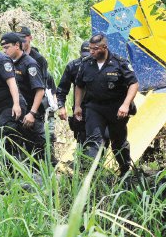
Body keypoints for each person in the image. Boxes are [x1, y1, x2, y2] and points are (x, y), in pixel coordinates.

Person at [74, 34, 139, 174]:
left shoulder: (119, 63)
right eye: (90, 49)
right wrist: (77, 106)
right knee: (94, 141)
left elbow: (133, 84)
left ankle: (125, 170)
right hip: (94, 108)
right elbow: (79, 85)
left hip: (116, 109)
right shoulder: (86, 63)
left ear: (105, 47)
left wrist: (126, 104)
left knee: (118, 143)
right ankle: (90, 175)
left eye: (95, 49)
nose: (92, 52)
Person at [0, 32, 46, 161]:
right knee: (15, 151)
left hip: (31, 115)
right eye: (3, 48)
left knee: (38, 152)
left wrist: (32, 113)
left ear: (17, 45)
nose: (4, 51)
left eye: (7, 47)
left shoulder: (29, 63)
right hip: (16, 114)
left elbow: (40, 90)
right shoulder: (7, 63)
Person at [56, 40, 91, 145]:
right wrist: (61, 106)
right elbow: (62, 89)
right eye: (84, 56)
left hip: (97, 107)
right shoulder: (73, 66)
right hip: (80, 108)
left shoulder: (101, 66)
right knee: (81, 139)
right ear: (80, 53)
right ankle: (82, 160)